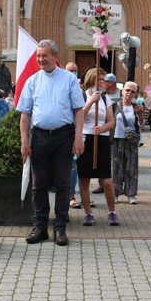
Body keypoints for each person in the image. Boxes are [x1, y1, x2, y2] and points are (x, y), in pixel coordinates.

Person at [17, 39, 85, 247]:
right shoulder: (32, 81)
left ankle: (60, 228)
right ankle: (39, 227)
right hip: (39, 138)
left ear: (55, 56)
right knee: (38, 185)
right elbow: (25, 115)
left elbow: (78, 111)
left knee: (63, 185)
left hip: (64, 137)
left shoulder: (69, 79)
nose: (40, 59)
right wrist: (24, 141)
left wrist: (78, 137)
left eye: (44, 55)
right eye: (38, 56)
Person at [77, 68, 120, 226]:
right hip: (84, 138)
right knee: (84, 180)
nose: (102, 83)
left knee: (107, 181)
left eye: (103, 80)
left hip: (100, 139)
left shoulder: (105, 99)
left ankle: (112, 211)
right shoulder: (82, 96)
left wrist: (102, 129)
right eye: (99, 80)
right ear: (91, 80)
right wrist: (90, 102)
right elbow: (78, 116)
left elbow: (111, 121)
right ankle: (88, 213)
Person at [112, 81, 143, 205]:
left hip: (131, 141)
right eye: (127, 90)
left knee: (131, 167)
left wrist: (140, 115)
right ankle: (115, 193)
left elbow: (140, 125)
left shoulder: (136, 107)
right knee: (116, 167)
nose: (129, 93)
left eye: (132, 91)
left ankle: (131, 194)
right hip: (116, 139)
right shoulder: (114, 106)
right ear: (122, 91)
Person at [92, 72, 122, 194]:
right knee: (102, 160)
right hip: (105, 132)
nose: (102, 84)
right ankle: (102, 183)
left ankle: (115, 185)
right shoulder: (102, 95)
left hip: (119, 132)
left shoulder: (121, 94)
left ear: (111, 83)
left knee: (117, 161)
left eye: (104, 81)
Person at [65, 61, 82, 208]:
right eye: (70, 70)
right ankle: (69, 195)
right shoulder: (63, 87)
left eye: (75, 70)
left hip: (77, 133)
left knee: (76, 165)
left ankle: (77, 194)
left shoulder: (80, 89)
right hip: (65, 132)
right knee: (70, 166)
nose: (73, 72)